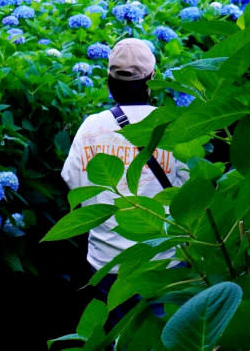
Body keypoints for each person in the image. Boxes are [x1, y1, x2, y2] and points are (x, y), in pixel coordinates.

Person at [61, 38, 189, 325]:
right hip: (164, 263)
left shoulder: (91, 128)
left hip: (106, 263)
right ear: (151, 81)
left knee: (113, 338)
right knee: (161, 340)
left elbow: (73, 183)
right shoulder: (172, 126)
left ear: (110, 81)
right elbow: (190, 195)